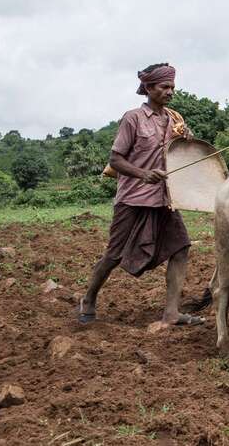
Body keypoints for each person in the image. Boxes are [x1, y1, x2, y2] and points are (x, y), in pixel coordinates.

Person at [78, 63, 204, 326]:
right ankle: (88, 298)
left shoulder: (175, 120)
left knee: (181, 248)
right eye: (164, 87)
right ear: (148, 88)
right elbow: (116, 159)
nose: (170, 92)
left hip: (165, 198)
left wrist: (188, 141)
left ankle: (171, 312)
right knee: (113, 254)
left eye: (172, 87)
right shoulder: (132, 118)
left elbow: (179, 153)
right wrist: (143, 174)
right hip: (133, 198)